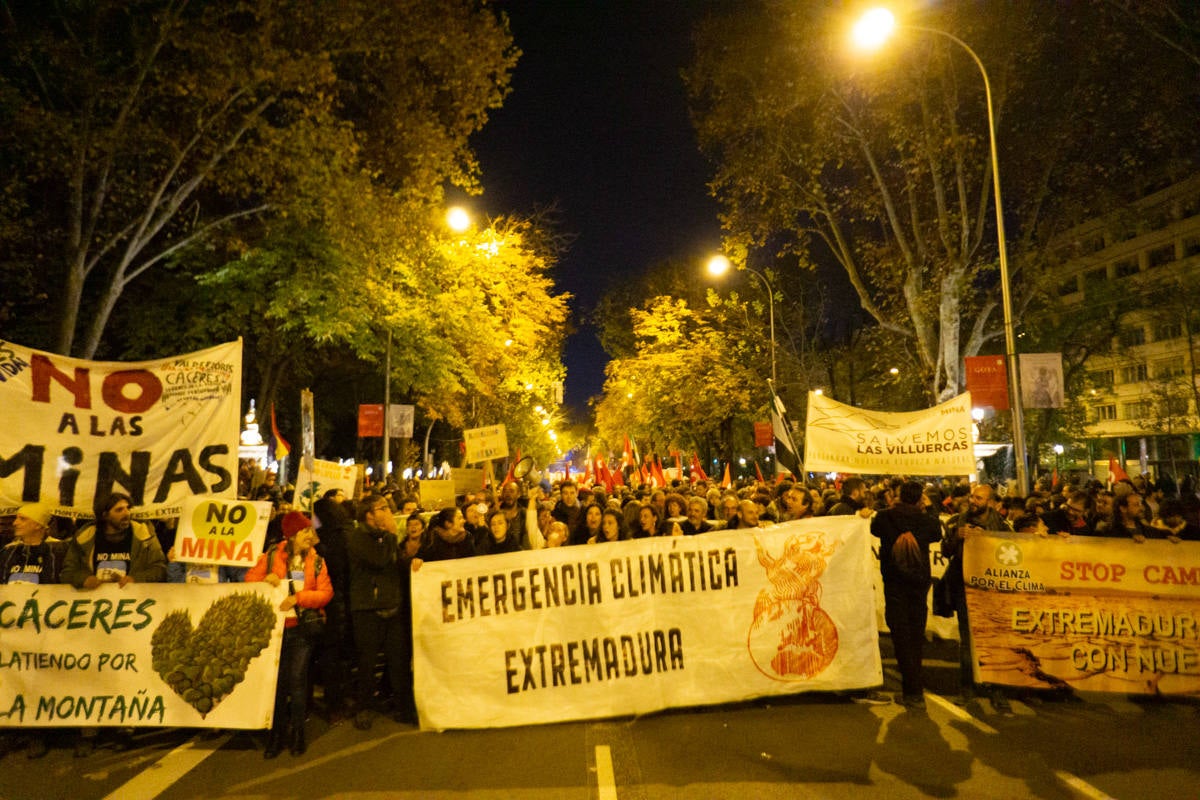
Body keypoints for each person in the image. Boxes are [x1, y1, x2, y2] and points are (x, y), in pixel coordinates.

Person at [61, 492, 167, 756]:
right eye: (119, 510)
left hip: (130, 619)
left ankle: (124, 728)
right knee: (92, 673)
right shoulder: (85, 537)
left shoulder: (144, 535)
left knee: (126, 672)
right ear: (105, 514)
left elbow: (160, 568)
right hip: (93, 619)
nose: (127, 513)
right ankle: (89, 731)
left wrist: (136, 578)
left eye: (128, 508)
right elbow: (67, 570)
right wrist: (82, 579)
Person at [245, 511, 332, 758]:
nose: (310, 536)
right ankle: (277, 734)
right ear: (292, 535)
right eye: (305, 531)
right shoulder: (271, 557)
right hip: (276, 631)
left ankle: (297, 734)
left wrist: (299, 598)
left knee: (296, 680)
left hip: (303, 630)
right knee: (277, 684)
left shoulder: (317, 561)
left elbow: (325, 593)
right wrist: (266, 580)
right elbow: (250, 580)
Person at [0, 503, 63, 758]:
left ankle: (38, 733)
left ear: (39, 524)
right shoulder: (8, 552)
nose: (15, 523)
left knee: (39, 680)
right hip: (11, 632)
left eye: (22, 519)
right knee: (11, 679)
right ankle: (12, 729)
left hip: (43, 631)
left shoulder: (57, 549)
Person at [871, 482, 942, 709]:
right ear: (920, 498)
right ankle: (914, 688)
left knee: (901, 636)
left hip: (894, 582)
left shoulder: (885, 517)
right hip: (918, 581)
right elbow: (936, 534)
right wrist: (929, 509)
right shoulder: (925, 519)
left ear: (899, 495)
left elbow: (874, 529)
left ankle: (912, 691)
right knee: (915, 633)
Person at [942, 483, 1011, 712]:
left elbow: (1014, 550)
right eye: (973, 497)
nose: (973, 501)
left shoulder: (1001, 525)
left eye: (979, 498)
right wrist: (956, 537)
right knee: (967, 640)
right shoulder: (958, 521)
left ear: (990, 503)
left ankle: (997, 689)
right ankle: (967, 688)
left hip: (991, 591)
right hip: (965, 588)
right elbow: (945, 551)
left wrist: (988, 539)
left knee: (994, 640)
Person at [346, 493, 409, 731]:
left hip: (392, 605)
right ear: (369, 514)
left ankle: (403, 707)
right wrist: (393, 535)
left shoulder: (386, 538)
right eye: (383, 508)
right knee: (367, 661)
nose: (388, 511)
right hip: (367, 609)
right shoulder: (357, 537)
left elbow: (395, 564)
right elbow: (379, 560)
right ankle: (365, 706)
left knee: (398, 659)